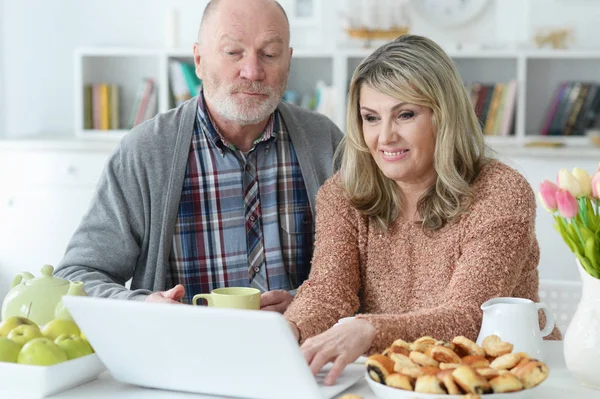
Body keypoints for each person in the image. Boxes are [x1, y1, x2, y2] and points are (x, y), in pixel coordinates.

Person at [284, 34, 560, 385]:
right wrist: (287, 332)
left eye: (405, 115)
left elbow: (469, 316)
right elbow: (328, 291)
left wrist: (367, 329)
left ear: (443, 117)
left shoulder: (500, 191)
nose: (384, 137)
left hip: (508, 379)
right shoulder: (342, 194)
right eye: (371, 118)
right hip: (404, 381)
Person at [54, 0, 343, 313]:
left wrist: (309, 304)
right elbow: (76, 277)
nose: (252, 71)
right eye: (233, 52)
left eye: (269, 54)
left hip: (303, 354)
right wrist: (144, 305)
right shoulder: (144, 152)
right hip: (180, 355)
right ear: (199, 60)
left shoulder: (325, 142)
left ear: (288, 61)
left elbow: (368, 268)